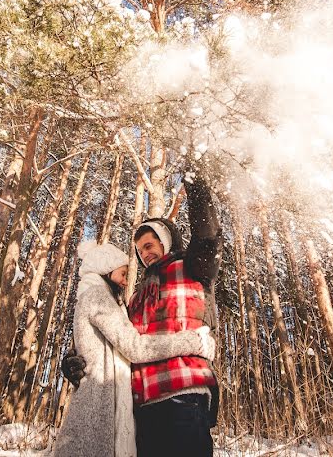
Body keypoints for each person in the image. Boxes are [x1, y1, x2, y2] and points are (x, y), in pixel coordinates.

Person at [64, 174, 223, 457]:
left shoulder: (191, 269)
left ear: (165, 242)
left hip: (183, 395)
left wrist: (196, 180)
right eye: (139, 251)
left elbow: (207, 238)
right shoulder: (136, 298)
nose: (144, 254)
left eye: (149, 246)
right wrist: (78, 361)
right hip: (142, 410)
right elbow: (122, 345)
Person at [53, 240, 215, 457]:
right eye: (122, 273)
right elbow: (135, 347)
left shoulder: (100, 299)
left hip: (106, 405)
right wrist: (193, 342)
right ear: (105, 270)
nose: (125, 281)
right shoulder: (98, 297)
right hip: (100, 407)